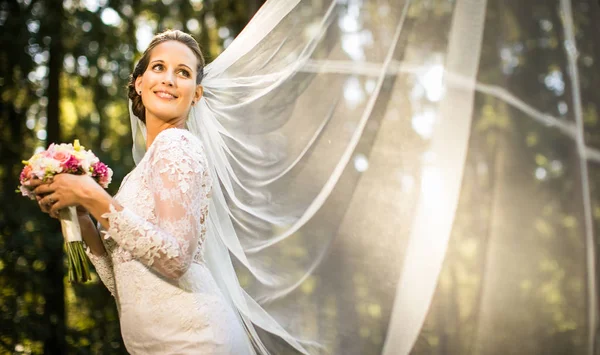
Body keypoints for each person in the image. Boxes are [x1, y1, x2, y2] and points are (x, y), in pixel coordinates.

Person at [29, 30, 253, 354]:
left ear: (197, 94)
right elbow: (121, 278)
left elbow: (175, 259)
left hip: (194, 341)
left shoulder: (177, 145)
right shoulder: (136, 177)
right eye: (159, 67)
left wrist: (91, 194)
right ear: (139, 82)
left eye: (183, 73)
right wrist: (82, 212)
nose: (169, 79)